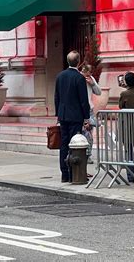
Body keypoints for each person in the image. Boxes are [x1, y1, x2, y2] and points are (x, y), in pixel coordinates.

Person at [54, 50, 90, 183]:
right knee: (75, 145)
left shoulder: (60, 76)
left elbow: (56, 97)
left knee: (64, 144)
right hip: (75, 116)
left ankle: (64, 173)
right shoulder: (79, 78)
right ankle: (73, 172)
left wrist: (58, 114)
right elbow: (83, 100)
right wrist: (86, 117)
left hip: (63, 115)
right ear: (78, 62)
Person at [80, 64, 101, 163]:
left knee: (89, 133)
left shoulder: (91, 79)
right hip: (80, 110)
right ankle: (81, 154)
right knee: (82, 133)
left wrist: (92, 83)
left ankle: (88, 155)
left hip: (89, 109)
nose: (88, 75)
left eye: (90, 74)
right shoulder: (78, 78)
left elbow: (98, 92)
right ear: (83, 71)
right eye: (87, 73)